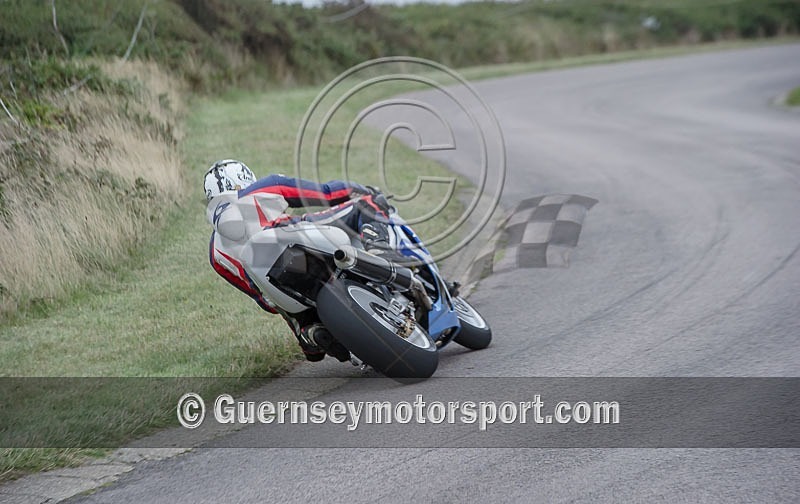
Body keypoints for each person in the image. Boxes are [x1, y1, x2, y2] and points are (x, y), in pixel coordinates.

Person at [204, 159, 396, 363]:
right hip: (297, 239)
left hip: (283, 291)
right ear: (245, 178)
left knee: (286, 310)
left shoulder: (215, 254)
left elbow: (262, 299)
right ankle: (381, 257)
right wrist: (361, 190)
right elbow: (327, 193)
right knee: (366, 206)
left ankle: (309, 332)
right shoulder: (264, 187)